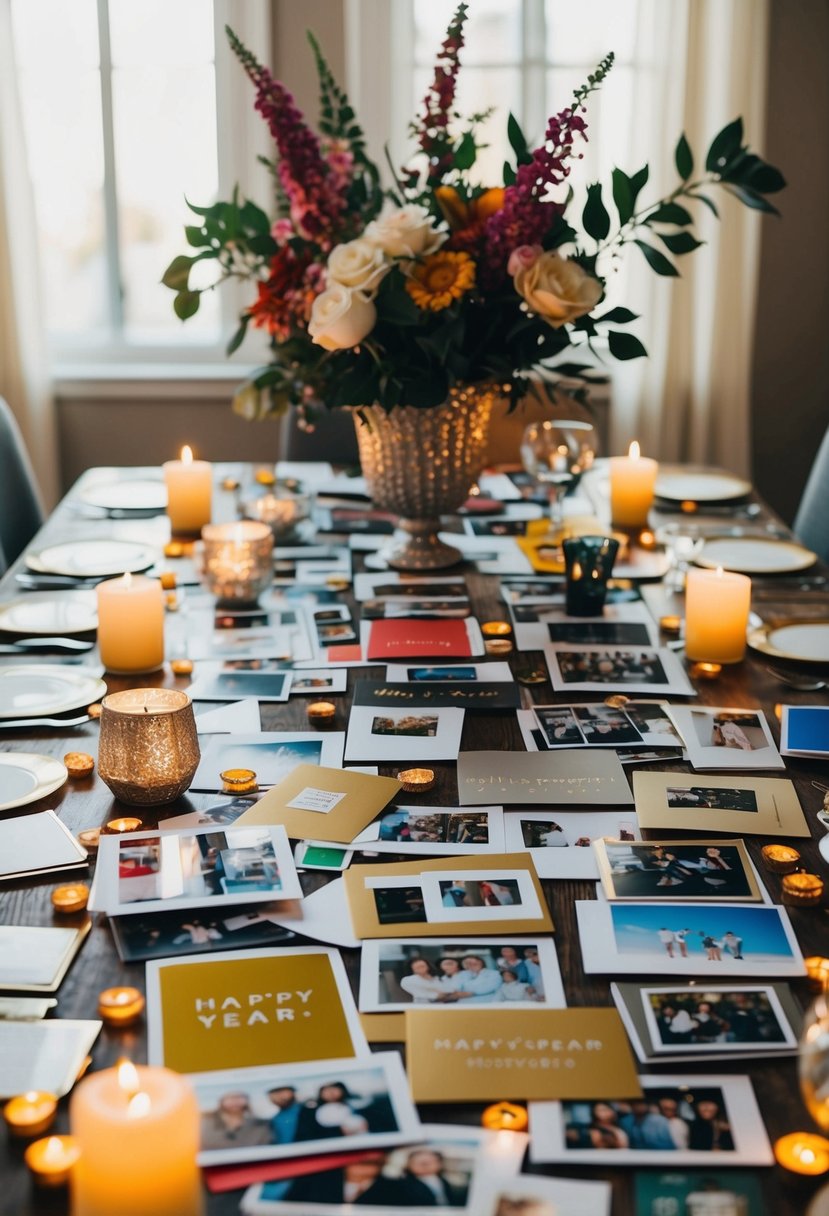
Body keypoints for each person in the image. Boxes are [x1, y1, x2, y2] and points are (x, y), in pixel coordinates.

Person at [393, 1148, 469, 1206]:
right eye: (419, 1162)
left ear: (439, 1163)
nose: (425, 1165)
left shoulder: (444, 1181)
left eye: (430, 1161)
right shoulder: (403, 1185)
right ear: (409, 1164)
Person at [200, 1092, 270, 1150]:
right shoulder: (204, 1122)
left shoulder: (260, 1125)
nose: (235, 1101)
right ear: (221, 1101)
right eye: (230, 1097)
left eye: (239, 1097)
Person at [301, 1082, 369, 1140]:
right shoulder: (311, 1112)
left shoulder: (357, 1105)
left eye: (334, 1088)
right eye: (326, 1090)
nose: (331, 1092)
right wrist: (339, 1130)